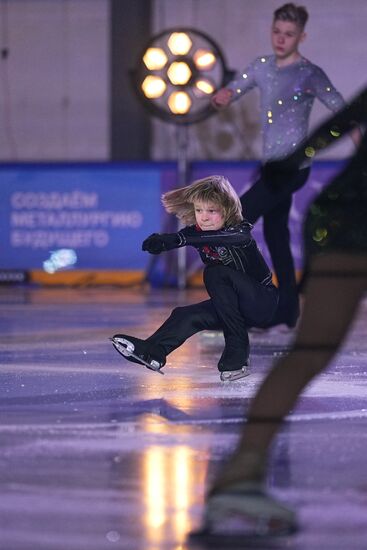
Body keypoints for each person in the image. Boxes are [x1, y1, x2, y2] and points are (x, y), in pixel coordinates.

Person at [200, 87, 367, 534]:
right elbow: (343, 120)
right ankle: (241, 474)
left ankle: (240, 472)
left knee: (310, 352)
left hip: (341, 218)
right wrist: (296, 157)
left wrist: (296, 156)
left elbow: (341, 121)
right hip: (350, 222)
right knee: (312, 350)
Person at [212, 2, 347, 328]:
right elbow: (237, 86)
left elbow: (341, 109)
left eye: (289, 34)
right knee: (275, 234)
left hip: (294, 169)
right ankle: (287, 309)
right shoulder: (261, 66)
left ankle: (249, 305)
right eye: (277, 32)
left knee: (234, 221)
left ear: (302, 36)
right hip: (271, 167)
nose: (281, 39)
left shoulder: (309, 73)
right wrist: (226, 94)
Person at [111, 175, 278, 381]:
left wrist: (177, 240)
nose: (204, 217)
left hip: (262, 302)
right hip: (234, 307)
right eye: (199, 210)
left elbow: (231, 238)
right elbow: (194, 236)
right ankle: (153, 351)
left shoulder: (239, 230)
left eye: (211, 211)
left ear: (226, 210)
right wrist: (167, 242)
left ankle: (238, 352)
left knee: (215, 272)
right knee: (184, 315)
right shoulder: (196, 233)